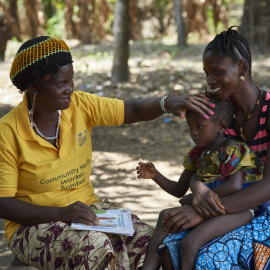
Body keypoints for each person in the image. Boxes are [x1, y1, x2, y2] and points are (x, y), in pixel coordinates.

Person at [0, 36, 214, 270]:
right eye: (62, 83)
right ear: (34, 85)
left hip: (87, 212)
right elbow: (3, 203)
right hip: (30, 227)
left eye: (71, 80)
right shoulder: (8, 132)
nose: (70, 89)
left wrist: (167, 103)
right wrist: (60, 213)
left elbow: (130, 109)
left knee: (149, 239)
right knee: (94, 247)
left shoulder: (80, 106)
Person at [158, 26, 270, 270]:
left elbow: (268, 186)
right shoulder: (218, 112)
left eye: (218, 72)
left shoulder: (268, 111)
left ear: (242, 68)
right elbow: (202, 163)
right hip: (224, 205)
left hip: (260, 212)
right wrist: (197, 187)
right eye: (207, 73)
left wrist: (205, 212)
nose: (210, 81)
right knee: (169, 245)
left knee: (209, 256)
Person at [137, 94, 264, 270]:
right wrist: (155, 175)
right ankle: (148, 267)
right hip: (211, 207)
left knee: (190, 243)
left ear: (221, 126)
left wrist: (197, 200)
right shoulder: (197, 154)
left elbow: (234, 186)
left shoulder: (231, 149)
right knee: (164, 216)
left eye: (200, 126)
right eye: (190, 127)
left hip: (238, 210)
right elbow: (179, 190)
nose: (194, 132)